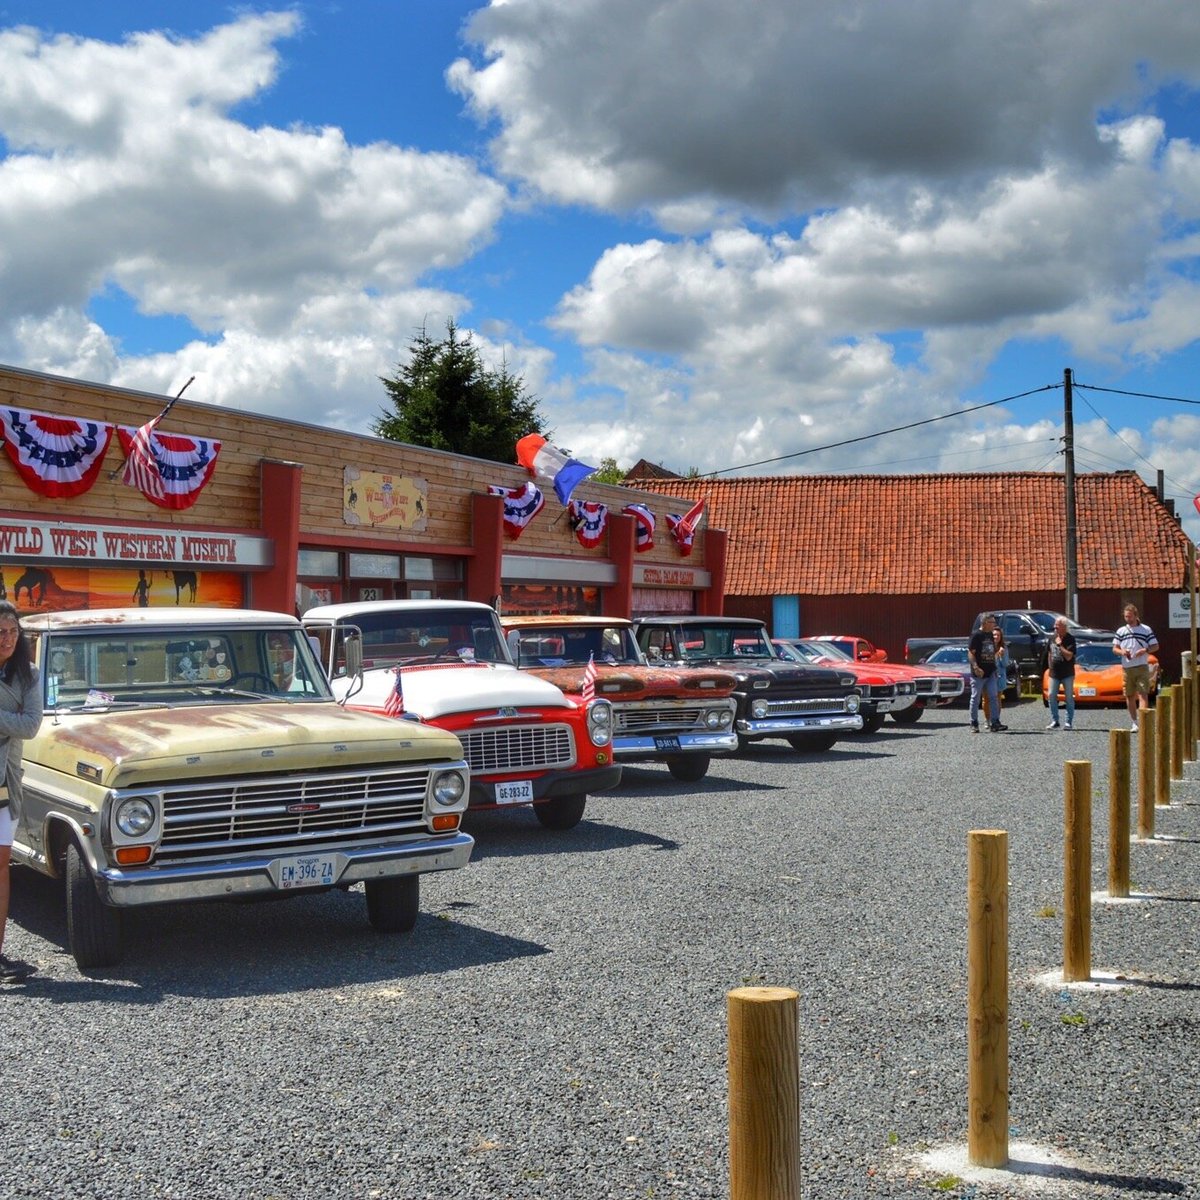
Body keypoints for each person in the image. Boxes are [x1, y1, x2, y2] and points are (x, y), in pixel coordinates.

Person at [0, 601, 44, 983]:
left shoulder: (28, 674)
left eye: (13, 631)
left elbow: (31, 726)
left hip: (4, 782)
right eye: (0, 632)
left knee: (0, 868)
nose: (8, 639)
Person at [1113, 603, 1158, 731]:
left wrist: (1145, 650)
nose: (1128, 619)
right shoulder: (1121, 631)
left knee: (1143, 693)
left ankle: (1144, 722)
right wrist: (1122, 652)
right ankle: (1134, 722)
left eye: (1130, 616)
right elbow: (1114, 648)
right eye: (1126, 617)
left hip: (1142, 665)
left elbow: (1156, 646)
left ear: (1136, 615)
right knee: (1129, 695)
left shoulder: (1146, 629)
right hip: (1127, 667)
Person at [968, 613, 1006, 733]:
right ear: (985, 623)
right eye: (992, 623)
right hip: (978, 673)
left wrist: (998, 653)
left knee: (993, 697)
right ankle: (974, 722)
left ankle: (995, 722)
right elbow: (970, 653)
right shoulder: (976, 635)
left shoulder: (990, 635)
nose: (994, 625)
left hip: (990, 671)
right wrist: (975, 667)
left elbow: (991, 651)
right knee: (975, 698)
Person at [1045, 616, 1077, 730]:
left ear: (1064, 627)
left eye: (1057, 626)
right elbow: (1049, 653)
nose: (1055, 628)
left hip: (1067, 673)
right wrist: (1050, 667)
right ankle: (1055, 720)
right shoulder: (1052, 638)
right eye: (1055, 626)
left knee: (1068, 697)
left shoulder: (1070, 639)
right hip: (1054, 673)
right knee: (1051, 695)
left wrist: (1060, 645)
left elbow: (1069, 656)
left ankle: (1068, 722)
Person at [982, 626, 1009, 726]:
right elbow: (987, 661)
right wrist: (997, 654)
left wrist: (1002, 655)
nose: (996, 637)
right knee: (986, 699)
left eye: (998, 635)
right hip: (988, 676)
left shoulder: (1004, 648)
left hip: (999, 676)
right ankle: (987, 719)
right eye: (994, 635)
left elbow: (1005, 664)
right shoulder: (986, 646)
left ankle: (996, 719)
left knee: (997, 699)